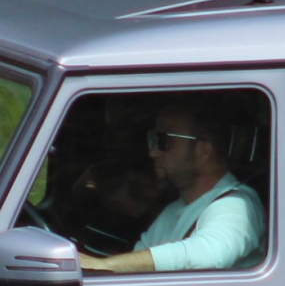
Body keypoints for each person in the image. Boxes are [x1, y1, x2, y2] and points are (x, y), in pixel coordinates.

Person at [78, 104, 264, 274]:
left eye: (164, 141)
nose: (153, 152)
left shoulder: (236, 204)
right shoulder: (173, 210)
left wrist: (102, 265)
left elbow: (207, 256)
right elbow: (135, 267)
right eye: (153, 139)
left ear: (203, 152)